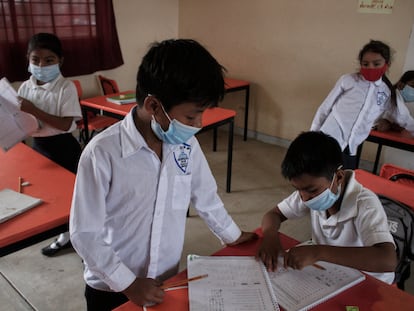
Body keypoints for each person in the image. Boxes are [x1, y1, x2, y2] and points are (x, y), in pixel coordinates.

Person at [69, 39, 257, 310]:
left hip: (165, 280)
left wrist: (232, 235)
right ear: (154, 106)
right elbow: (85, 232)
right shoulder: (103, 153)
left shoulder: (186, 145)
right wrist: (128, 283)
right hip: (112, 287)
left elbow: (206, 196)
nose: (199, 125)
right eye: (192, 117)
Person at [257, 131, 397, 285]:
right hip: (331, 273)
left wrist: (319, 252)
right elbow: (273, 214)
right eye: (298, 189)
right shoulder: (310, 191)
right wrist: (270, 236)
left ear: (338, 177)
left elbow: (387, 260)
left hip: (370, 282)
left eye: (311, 190)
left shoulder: (365, 204)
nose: (304, 198)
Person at [17, 33, 82, 256]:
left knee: (72, 198)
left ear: (60, 61)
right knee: (48, 196)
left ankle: (80, 239)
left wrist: (33, 110)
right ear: (28, 58)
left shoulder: (66, 87)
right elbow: (20, 120)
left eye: (49, 60)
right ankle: (64, 235)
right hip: (38, 148)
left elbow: (65, 125)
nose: (41, 65)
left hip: (64, 148)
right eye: (35, 60)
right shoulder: (25, 87)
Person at [310, 40, 411, 169]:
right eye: (365, 64)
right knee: (318, 176)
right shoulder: (348, 80)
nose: (371, 68)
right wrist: (312, 135)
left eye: (376, 64)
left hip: (351, 148)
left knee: (344, 182)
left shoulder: (386, 92)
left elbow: (403, 117)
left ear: (387, 64)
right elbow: (325, 108)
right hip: (328, 138)